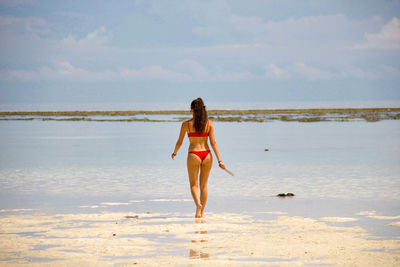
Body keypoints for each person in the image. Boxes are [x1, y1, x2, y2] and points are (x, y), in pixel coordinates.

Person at [171, 97, 226, 218]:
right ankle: (201, 212)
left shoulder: (186, 125)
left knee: (193, 185)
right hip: (207, 154)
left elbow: (179, 142)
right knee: (204, 186)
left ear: (191, 110)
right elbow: (213, 143)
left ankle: (198, 205)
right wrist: (220, 160)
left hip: (194, 154)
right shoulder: (209, 124)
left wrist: (174, 153)